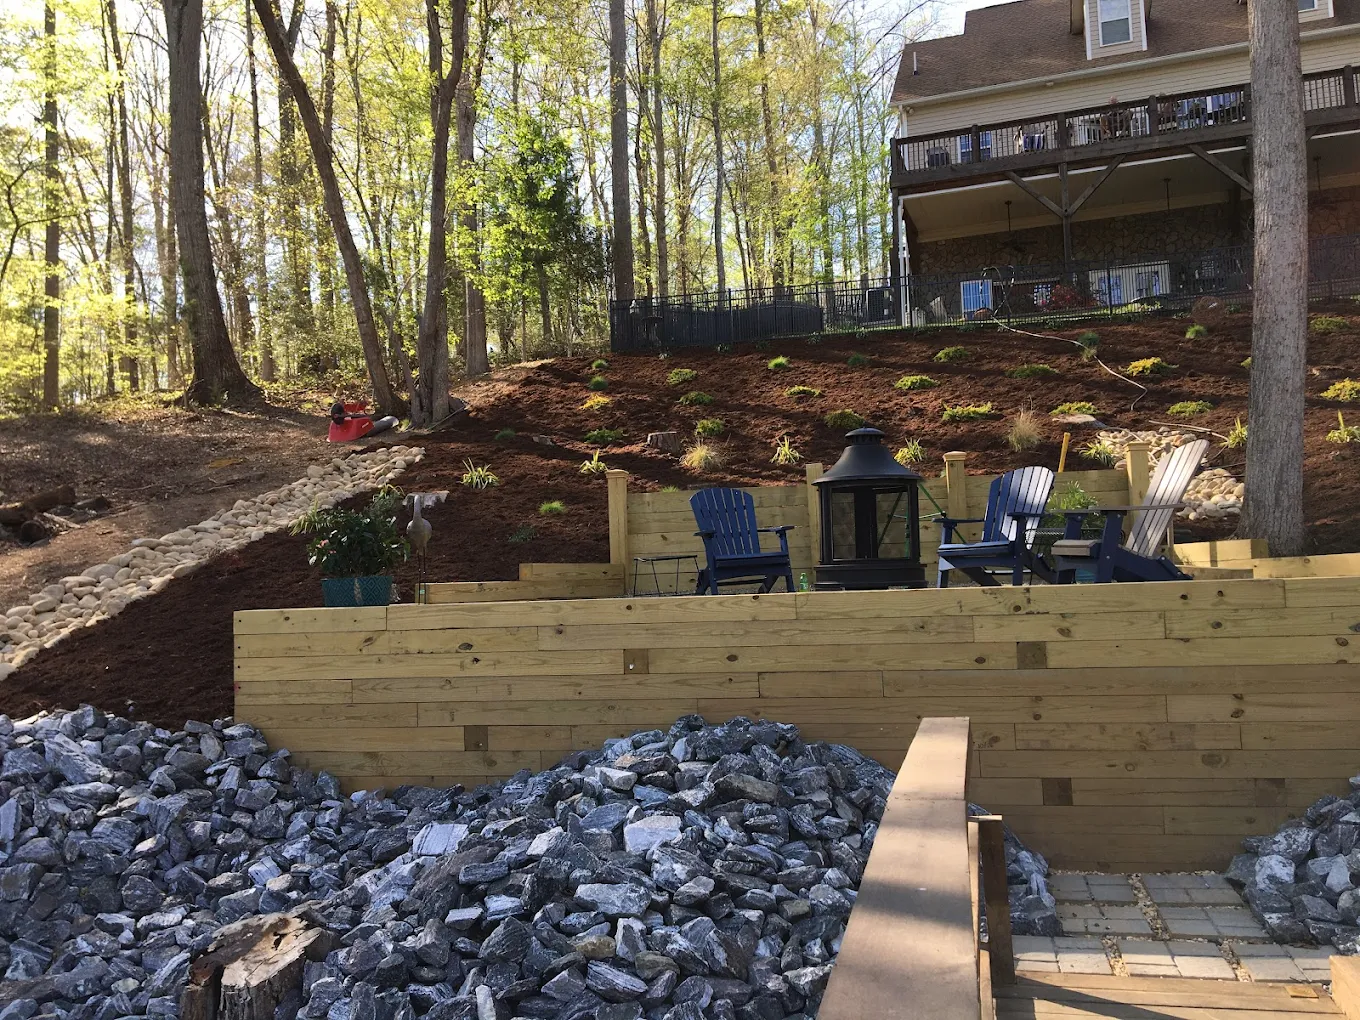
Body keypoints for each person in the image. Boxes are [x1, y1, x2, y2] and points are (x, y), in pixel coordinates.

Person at [327, 400, 399, 442]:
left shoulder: (347, 418)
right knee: (376, 425)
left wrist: (346, 415)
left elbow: (364, 418)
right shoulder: (336, 423)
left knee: (385, 421)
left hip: (365, 428)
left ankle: (390, 418)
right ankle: (390, 418)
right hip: (363, 431)